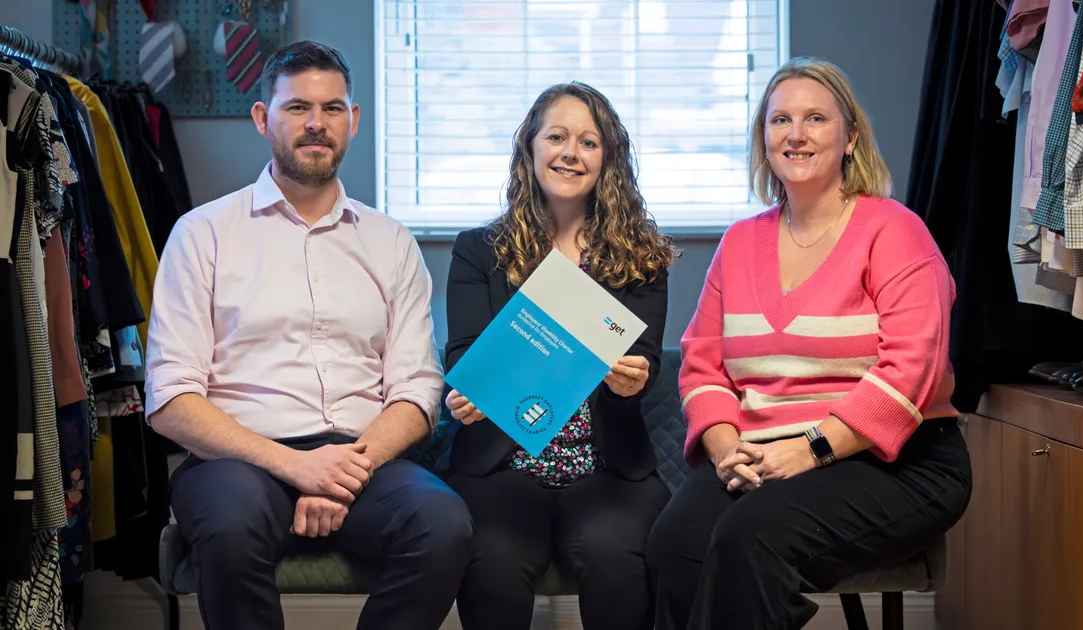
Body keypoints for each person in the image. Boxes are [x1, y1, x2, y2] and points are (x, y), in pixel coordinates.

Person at [144, 40, 472, 630]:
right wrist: (297, 468)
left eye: (333, 108)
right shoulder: (203, 234)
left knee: (443, 524)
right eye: (297, 108)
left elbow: (418, 390)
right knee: (231, 529)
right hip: (239, 459)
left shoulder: (390, 240)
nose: (316, 124)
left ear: (353, 120)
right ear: (262, 118)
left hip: (364, 454)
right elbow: (170, 400)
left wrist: (344, 468)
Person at [645, 56, 973, 630]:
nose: (795, 134)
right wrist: (727, 452)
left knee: (753, 537)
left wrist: (810, 449)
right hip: (763, 453)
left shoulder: (894, 230)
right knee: (675, 541)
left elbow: (912, 369)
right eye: (779, 121)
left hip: (895, 461)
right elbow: (702, 367)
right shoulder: (739, 243)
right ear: (764, 139)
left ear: (850, 138)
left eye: (815, 118)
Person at [442, 81, 677, 630]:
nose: (570, 152)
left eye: (589, 142)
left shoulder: (641, 256)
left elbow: (644, 359)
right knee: (493, 560)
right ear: (530, 148)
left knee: (615, 556)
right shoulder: (479, 250)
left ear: (608, 161)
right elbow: (465, 356)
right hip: (500, 463)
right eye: (556, 136)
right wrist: (468, 393)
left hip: (606, 468)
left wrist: (634, 377)